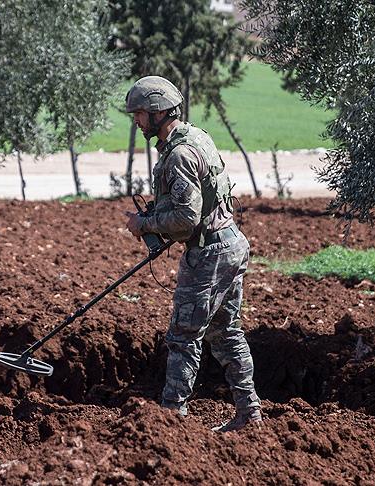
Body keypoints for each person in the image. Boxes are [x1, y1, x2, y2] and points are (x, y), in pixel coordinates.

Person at [123, 76, 262, 432]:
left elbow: (186, 218)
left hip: (209, 254)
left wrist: (146, 224)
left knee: (183, 337)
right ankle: (249, 414)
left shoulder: (180, 153)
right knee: (226, 332)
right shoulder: (196, 137)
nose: (136, 121)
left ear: (157, 113)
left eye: (139, 114)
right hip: (229, 244)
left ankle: (172, 423)